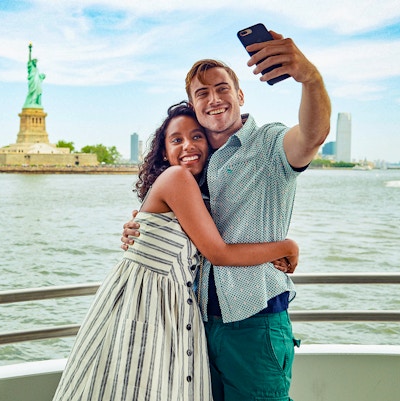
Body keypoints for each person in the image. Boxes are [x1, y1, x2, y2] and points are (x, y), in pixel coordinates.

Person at [121, 30, 331, 400]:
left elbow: (313, 134)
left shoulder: (269, 145)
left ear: (240, 95)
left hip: (255, 321)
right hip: (197, 324)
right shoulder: (195, 170)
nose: (214, 99)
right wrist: (138, 230)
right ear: (194, 106)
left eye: (222, 89)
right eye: (202, 93)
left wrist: (309, 78)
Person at [52, 102, 299, 401]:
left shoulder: (198, 191)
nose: (188, 146)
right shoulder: (177, 178)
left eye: (196, 137)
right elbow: (218, 252)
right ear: (164, 152)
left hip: (166, 307)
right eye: (176, 140)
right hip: (147, 306)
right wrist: (286, 246)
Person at [23, 43, 45, 108]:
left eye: (36, 61)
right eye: (34, 61)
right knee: (32, 91)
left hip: (37, 82)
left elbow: (39, 77)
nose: (35, 62)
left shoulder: (37, 69)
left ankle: (36, 103)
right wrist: (30, 51)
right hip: (32, 81)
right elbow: (29, 60)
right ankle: (31, 102)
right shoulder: (31, 67)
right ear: (32, 62)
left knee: (38, 91)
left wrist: (41, 77)